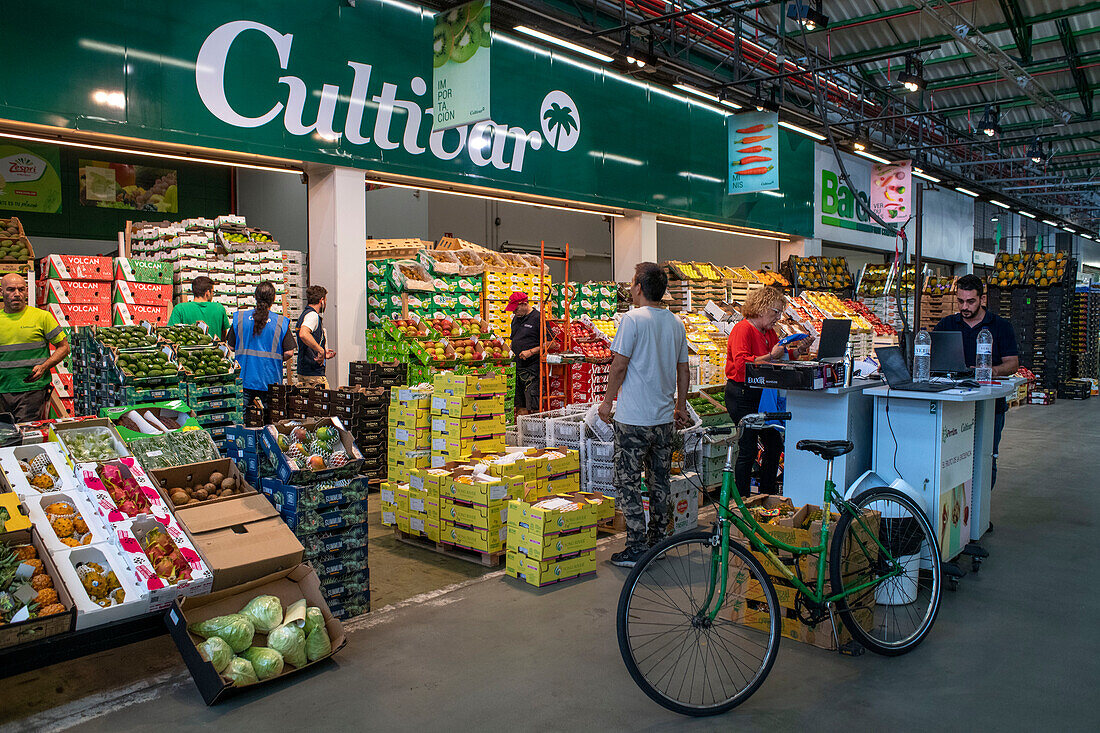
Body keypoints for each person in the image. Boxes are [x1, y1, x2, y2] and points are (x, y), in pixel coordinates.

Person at [599, 263, 691, 568]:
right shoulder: (676, 323)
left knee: (627, 480)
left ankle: (636, 546)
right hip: (664, 420)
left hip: (634, 420)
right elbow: (683, 369)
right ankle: (658, 541)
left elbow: (619, 366)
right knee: (659, 481)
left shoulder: (632, 320)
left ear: (639, 287)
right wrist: (680, 407)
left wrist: (607, 402)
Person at [934, 273, 1019, 489]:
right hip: (954, 404)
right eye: (960, 301)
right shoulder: (947, 324)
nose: (965, 307)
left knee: (985, 456)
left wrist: (992, 370)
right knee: (953, 456)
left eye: (970, 301)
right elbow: (935, 358)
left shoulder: (1000, 326)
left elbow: (1012, 364)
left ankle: (980, 515)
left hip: (990, 406)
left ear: (982, 299)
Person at [725, 286, 810, 497]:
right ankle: (742, 500)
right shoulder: (742, 329)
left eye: (780, 313)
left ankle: (767, 494)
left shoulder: (769, 332)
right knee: (748, 448)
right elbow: (741, 363)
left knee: (773, 444)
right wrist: (771, 356)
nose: (778, 317)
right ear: (762, 308)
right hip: (742, 395)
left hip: (762, 395)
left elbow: (779, 355)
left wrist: (798, 350)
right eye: (776, 312)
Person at [0, 274, 70, 422]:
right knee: (4, 437)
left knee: (27, 435)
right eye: (11, 290)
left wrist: (44, 366)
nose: (17, 294)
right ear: (1, 292)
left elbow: (64, 347)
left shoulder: (42, 317)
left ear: (26, 292)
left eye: (21, 289)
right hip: (2, 391)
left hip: (32, 390)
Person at [227, 282, 295, 411]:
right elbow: (289, 352)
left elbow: (230, 346)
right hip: (270, 378)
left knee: (241, 419)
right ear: (274, 299)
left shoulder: (240, 318)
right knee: (273, 420)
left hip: (244, 377)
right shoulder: (280, 322)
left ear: (255, 297)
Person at [506, 291, 543, 415]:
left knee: (532, 404)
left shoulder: (538, 318)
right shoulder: (516, 319)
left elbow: (551, 343)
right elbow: (513, 340)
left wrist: (531, 352)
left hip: (532, 370)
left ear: (524, 304)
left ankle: (535, 432)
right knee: (519, 403)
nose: (513, 312)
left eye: (515, 309)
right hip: (517, 367)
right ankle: (522, 432)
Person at [167, 276, 230, 340]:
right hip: (213, 349)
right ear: (208, 292)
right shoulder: (219, 308)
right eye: (213, 292)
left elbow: (172, 333)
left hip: (187, 349)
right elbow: (223, 336)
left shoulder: (179, 308)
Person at [296, 285, 335, 387]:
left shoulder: (304, 315)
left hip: (304, 371)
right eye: (325, 300)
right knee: (326, 401)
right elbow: (304, 334)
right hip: (313, 374)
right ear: (321, 300)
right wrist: (320, 350)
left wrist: (324, 354)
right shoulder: (312, 316)